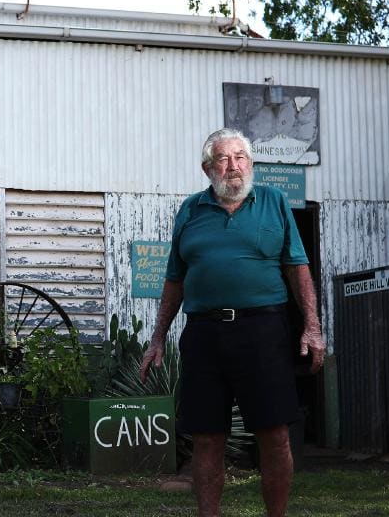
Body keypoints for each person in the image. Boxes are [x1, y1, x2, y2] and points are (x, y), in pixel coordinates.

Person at [139, 128, 326, 517]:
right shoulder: (190, 210)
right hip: (204, 334)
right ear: (208, 168)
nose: (233, 166)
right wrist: (157, 337)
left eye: (241, 157)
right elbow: (175, 278)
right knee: (207, 438)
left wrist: (312, 326)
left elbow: (297, 268)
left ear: (251, 164)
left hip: (263, 331)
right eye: (224, 159)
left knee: (274, 435)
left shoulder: (273, 202)